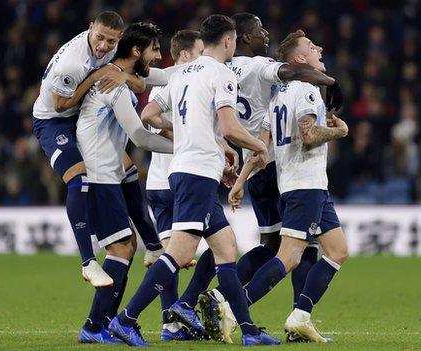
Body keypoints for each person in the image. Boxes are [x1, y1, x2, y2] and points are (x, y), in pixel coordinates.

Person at [108, 14, 279, 347]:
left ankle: (250, 332)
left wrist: (195, 138)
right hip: (197, 172)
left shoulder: (182, 71)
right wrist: (258, 145)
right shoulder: (221, 73)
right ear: (229, 41)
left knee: (226, 248)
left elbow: (149, 115)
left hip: (188, 168)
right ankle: (125, 320)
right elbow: (229, 127)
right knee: (178, 253)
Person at [195, 12, 343, 342]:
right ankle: (233, 307)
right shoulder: (291, 82)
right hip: (300, 182)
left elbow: (262, 142)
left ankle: (299, 317)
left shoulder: (277, 94)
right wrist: (339, 132)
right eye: (311, 47)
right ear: (300, 59)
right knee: (289, 254)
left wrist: (242, 178)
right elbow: (306, 134)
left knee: (333, 250)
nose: (318, 48)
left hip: (288, 177)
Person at [75, 22, 173, 344]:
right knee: (120, 248)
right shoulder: (113, 87)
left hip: (109, 174)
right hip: (99, 177)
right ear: (136, 51)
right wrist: (185, 145)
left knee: (126, 246)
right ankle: (94, 327)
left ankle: (103, 325)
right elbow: (141, 137)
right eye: (154, 49)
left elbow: (166, 77)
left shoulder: (122, 79)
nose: (158, 56)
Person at [32, 11, 144, 287]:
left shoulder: (118, 49)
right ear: (90, 27)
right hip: (53, 122)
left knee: (127, 167)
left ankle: (150, 241)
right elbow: (59, 105)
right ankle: (87, 261)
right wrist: (96, 77)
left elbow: (140, 82)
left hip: (84, 117)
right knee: (78, 178)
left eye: (111, 40)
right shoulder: (72, 63)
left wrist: (120, 76)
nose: (104, 46)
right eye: (100, 37)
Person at [143, 29, 204, 341]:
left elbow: (151, 117)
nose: (204, 57)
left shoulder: (167, 81)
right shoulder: (172, 79)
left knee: (170, 258)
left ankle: (170, 325)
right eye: (200, 51)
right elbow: (151, 119)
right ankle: (187, 307)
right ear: (184, 55)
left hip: (158, 181)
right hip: (178, 180)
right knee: (222, 248)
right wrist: (184, 139)